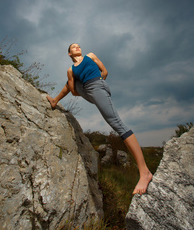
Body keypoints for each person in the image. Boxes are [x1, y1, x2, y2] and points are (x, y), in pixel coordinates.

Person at [47, 43, 152, 195]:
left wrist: (98, 86)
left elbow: (105, 71)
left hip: (98, 86)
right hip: (89, 91)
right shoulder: (71, 70)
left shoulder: (90, 56)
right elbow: (73, 91)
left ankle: (144, 172)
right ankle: (55, 100)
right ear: (69, 53)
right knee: (73, 81)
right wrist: (87, 90)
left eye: (78, 46)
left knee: (117, 124)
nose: (77, 47)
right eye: (73, 47)